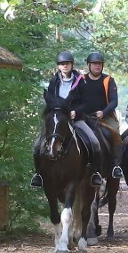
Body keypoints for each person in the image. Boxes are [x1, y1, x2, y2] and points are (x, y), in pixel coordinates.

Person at [30, 51, 103, 188]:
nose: (64, 66)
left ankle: (95, 174)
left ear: (72, 65)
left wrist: (76, 111)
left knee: (94, 142)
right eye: (62, 64)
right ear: (58, 66)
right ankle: (38, 174)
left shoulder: (81, 81)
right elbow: (50, 101)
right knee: (37, 145)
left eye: (67, 64)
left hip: (76, 119)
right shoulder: (53, 81)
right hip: (58, 120)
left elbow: (87, 103)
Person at [71, 51, 124, 179]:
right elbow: (73, 97)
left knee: (115, 134)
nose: (97, 66)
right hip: (83, 117)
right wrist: (73, 110)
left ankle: (116, 166)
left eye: (99, 64)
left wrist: (103, 112)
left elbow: (114, 101)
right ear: (89, 65)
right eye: (94, 64)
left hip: (105, 117)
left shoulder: (108, 80)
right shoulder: (81, 79)